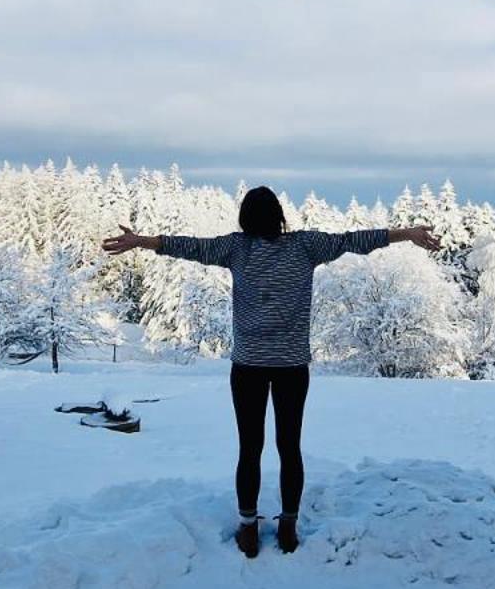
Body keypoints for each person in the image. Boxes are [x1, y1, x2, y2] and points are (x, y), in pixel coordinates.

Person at [102, 187, 440, 558]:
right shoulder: (306, 246)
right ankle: (288, 528)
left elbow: (189, 246)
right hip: (292, 367)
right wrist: (406, 233)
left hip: (248, 366)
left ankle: (249, 530)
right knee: (289, 448)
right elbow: (354, 240)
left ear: (245, 218)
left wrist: (141, 242)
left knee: (250, 449)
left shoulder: (236, 248)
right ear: (279, 215)